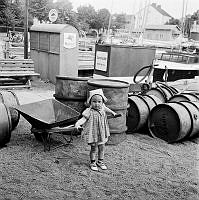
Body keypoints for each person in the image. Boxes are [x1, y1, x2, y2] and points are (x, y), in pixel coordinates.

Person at [75, 89, 117, 171]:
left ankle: (100, 162)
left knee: (102, 147)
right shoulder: (89, 111)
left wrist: (113, 113)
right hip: (93, 134)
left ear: (102, 102)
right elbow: (82, 119)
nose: (97, 104)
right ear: (90, 102)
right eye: (94, 101)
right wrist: (77, 124)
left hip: (101, 133)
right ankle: (93, 162)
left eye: (99, 101)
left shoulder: (103, 108)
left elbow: (106, 108)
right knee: (93, 149)